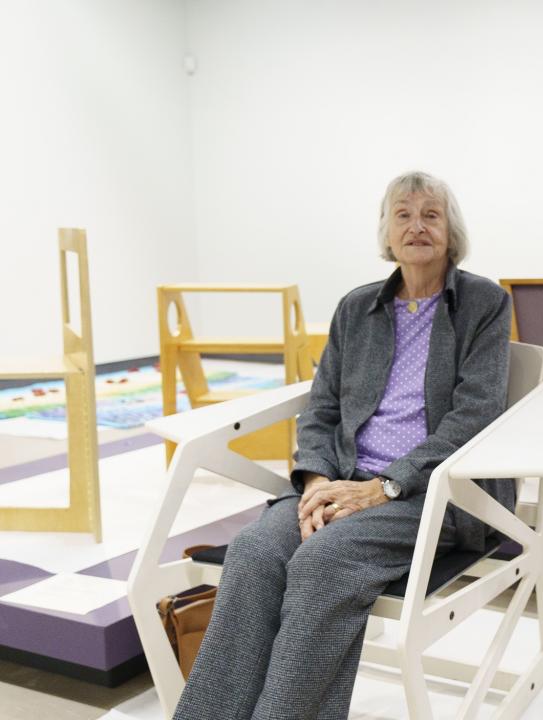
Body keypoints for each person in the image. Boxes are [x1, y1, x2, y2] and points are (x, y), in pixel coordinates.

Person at [174, 171, 513, 720]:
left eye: (432, 214)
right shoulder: (358, 309)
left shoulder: (483, 303)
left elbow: (474, 416)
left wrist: (386, 485)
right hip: (343, 483)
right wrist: (315, 481)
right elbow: (322, 409)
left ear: (452, 232)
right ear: (387, 231)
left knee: (322, 562)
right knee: (256, 552)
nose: (417, 226)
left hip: (432, 494)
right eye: (403, 214)